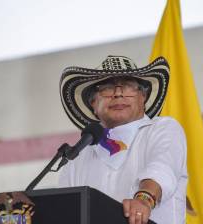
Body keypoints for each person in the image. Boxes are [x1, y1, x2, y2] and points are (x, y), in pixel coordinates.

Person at [59, 55, 187, 224]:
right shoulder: (78, 155)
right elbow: (64, 208)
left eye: (128, 85)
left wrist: (144, 199)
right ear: (93, 104)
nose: (118, 93)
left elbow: (162, 168)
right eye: (107, 86)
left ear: (143, 97)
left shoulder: (162, 128)